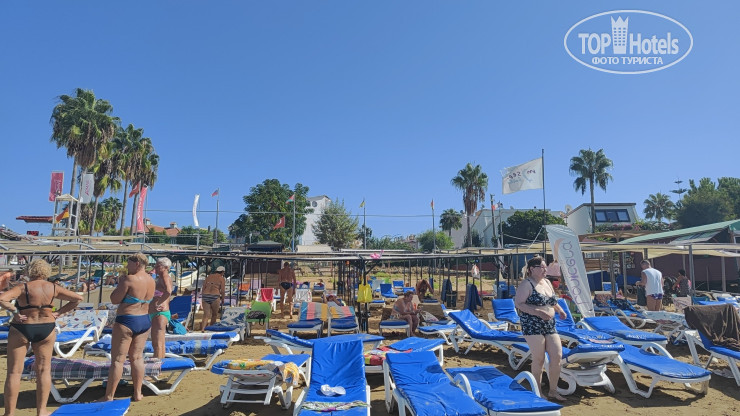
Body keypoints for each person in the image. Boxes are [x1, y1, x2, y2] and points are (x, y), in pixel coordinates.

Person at [0, 259, 82, 416]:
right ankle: (42, 410)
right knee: (44, 370)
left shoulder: (23, 287)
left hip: (23, 326)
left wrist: (15, 311)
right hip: (46, 327)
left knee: (14, 372)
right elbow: (78, 298)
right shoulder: (53, 287)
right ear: (46, 271)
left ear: (30, 270)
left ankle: (9, 413)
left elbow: (2, 298)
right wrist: (59, 312)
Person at [101, 252, 156, 402]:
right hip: (144, 320)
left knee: (118, 360)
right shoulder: (151, 280)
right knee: (137, 358)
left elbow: (114, 299)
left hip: (127, 320)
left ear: (137, 263)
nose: (127, 266)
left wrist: (120, 282)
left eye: (129, 263)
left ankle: (109, 396)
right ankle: (138, 393)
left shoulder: (128, 279)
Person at [514, 257, 567, 402]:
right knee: (539, 358)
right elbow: (519, 304)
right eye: (542, 267)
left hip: (549, 324)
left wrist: (560, 310)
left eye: (545, 267)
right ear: (532, 269)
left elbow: (552, 301)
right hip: (532, 324)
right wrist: (537, 312)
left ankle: (553, 391)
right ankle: (537, 391)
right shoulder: (527, 284)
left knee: (557, 356)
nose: (545, 270)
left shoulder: (547, 282)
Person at [150, 257, 174, 359]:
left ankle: (157, 366)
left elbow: (168, 291)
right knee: (159, 343)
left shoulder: (165, 277)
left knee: (157, 344)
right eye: (155, 265)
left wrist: (158, 303)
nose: (155, 267)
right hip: (158, 313)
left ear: (166, 267)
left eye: (158, 266)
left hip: (160, 313)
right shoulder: (160, 278)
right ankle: (161, 364)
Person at [200, 266, 226, 331]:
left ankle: (203, 329)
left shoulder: (209, 276)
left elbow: (203, 287)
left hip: (205, 295)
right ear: (222, 272)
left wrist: (203, 296)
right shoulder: (221, 279)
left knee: (206, 314)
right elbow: (222, 291)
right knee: (214, 314)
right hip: (215, 296)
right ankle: (211, 329)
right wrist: (223, 299)